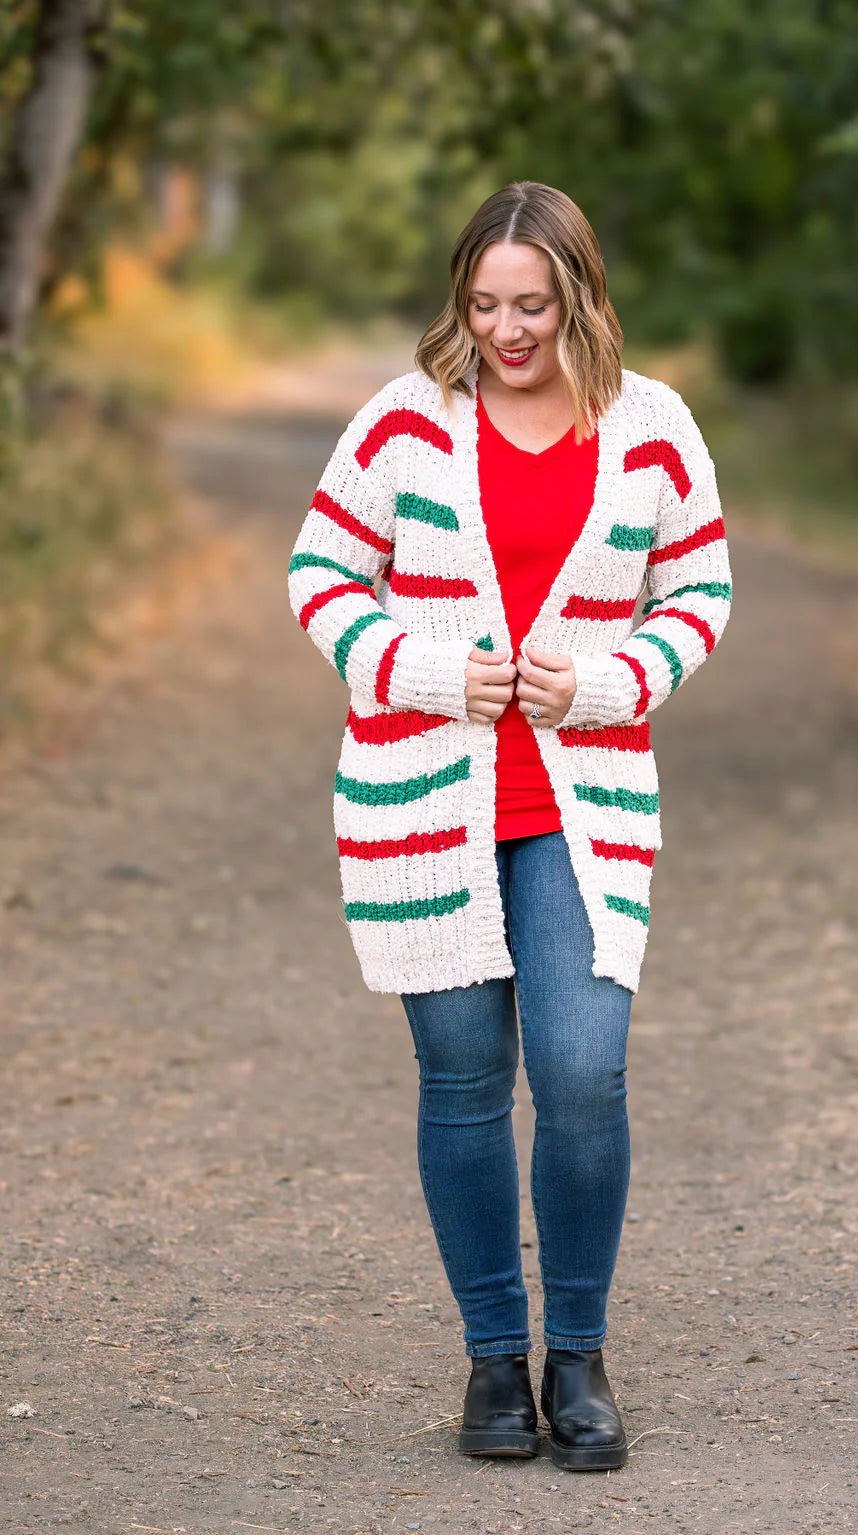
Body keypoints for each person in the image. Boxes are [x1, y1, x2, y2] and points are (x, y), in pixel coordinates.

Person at [287, 181, 732, 1471]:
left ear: (580, 296)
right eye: (483, 305)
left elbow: (696, 589)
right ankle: (494, 1362)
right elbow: (322, 573)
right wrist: (423, 669)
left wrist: (606, 683)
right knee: (467, 1080)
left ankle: (578, 1357)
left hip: (582, 805)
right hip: (425, 804)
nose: (505, 332)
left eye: (530, 306)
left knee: (584, 1070)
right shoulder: (404, 423)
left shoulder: (651, 428)